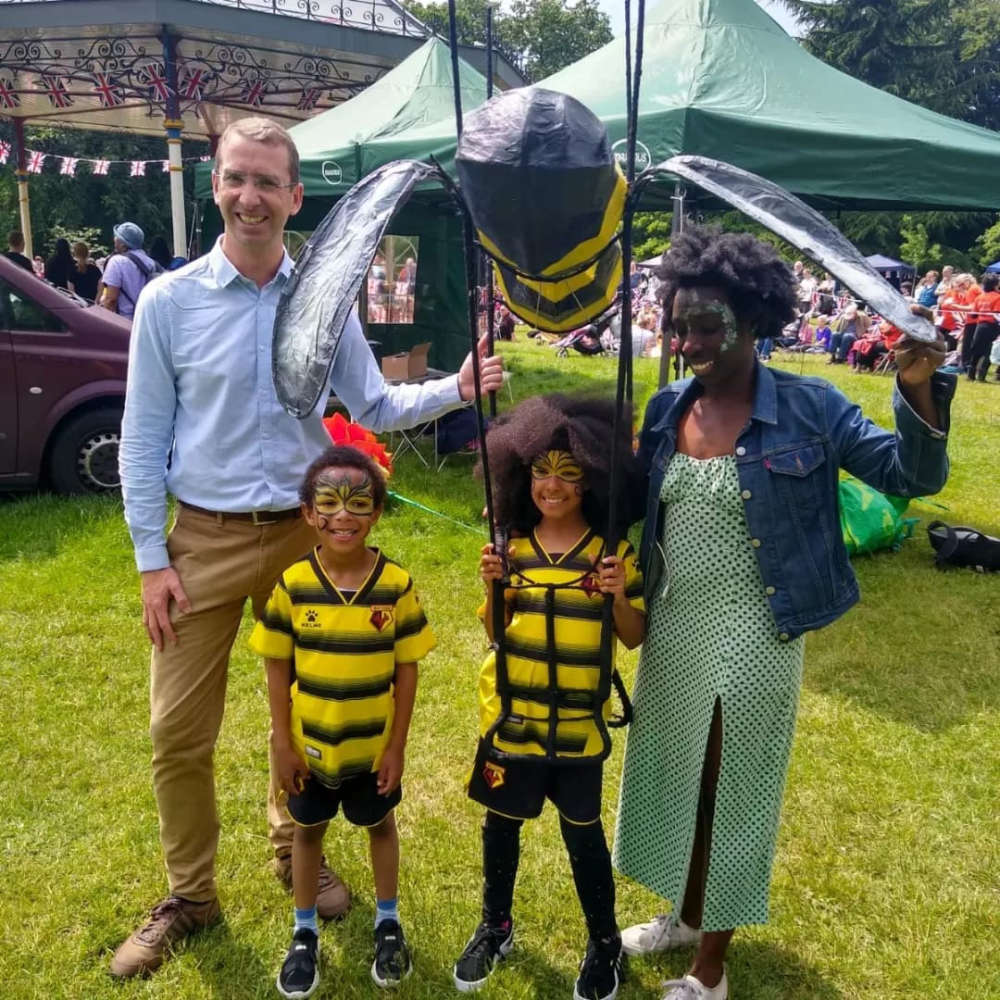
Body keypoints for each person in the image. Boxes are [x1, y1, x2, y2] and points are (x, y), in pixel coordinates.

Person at [113, 115, 504, 979]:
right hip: (202, 543)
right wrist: (151, 558)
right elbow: (142, 442)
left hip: (306, 544)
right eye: (235, 178)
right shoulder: (168, 304)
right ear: (216, 185)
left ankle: (297, 848)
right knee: (177, 732)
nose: (250, 197)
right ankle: (190, 894)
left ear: (296, 197)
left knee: (306, 716)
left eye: (268, 182)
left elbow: (373, 407)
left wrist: (457, 386)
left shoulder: (320, 302)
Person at [613, 227, 953, 1000]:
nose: (689, 340)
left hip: (755, 629)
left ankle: (711, 968)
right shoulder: (670, 406)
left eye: (706, 325)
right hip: (675, 624)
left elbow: (910, 474)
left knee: (730, 784)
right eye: (679, 323)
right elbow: (633, 500)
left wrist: (918, 390)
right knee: (678, 777)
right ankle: (685, 911)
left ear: (754, 317)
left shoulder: (811, 407)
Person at [453, 394, 646, 1000]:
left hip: (578, 730)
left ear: (593, 478)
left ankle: (604, 941)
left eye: (569, 473)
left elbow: (634, 636)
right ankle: (495, 925)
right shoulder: (510, 550)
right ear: (520, 474)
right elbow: (495, 632)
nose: (552, 485)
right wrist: (493, 588)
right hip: (515, 724)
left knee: (583, 834)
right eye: (541, 471)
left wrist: (617, 595)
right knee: (501, 826)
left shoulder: (610, 555)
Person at [251, 445, 434, 998]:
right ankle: (303, 934)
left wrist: (396, 747)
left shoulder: (395, 585)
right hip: (310, 749)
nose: (344, 516)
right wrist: (283, 744)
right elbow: (276, 665)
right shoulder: (292, 584)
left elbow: (407, 670)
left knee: (380, 826)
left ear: (377, 510)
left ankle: (388, 922)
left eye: (359, 502)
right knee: (308, 834)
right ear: (308, 513)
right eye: (328, 502)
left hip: (371, 748)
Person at [99, 221, 161, 318]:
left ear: (123, 245)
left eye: (116, 237)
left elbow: (111, 300)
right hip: (147, 320)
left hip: (125, 323)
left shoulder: (116, 262)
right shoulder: (151, 263)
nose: (114, 239)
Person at [966, 272, 1000, 381]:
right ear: (995, 285)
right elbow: (997, 313)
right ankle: (981, 376)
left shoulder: (979, 297)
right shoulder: (998, 297)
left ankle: (970, 375)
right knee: (988, 351)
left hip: (980, 326)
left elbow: (973, 314)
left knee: (976, 350)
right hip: (992, 326)